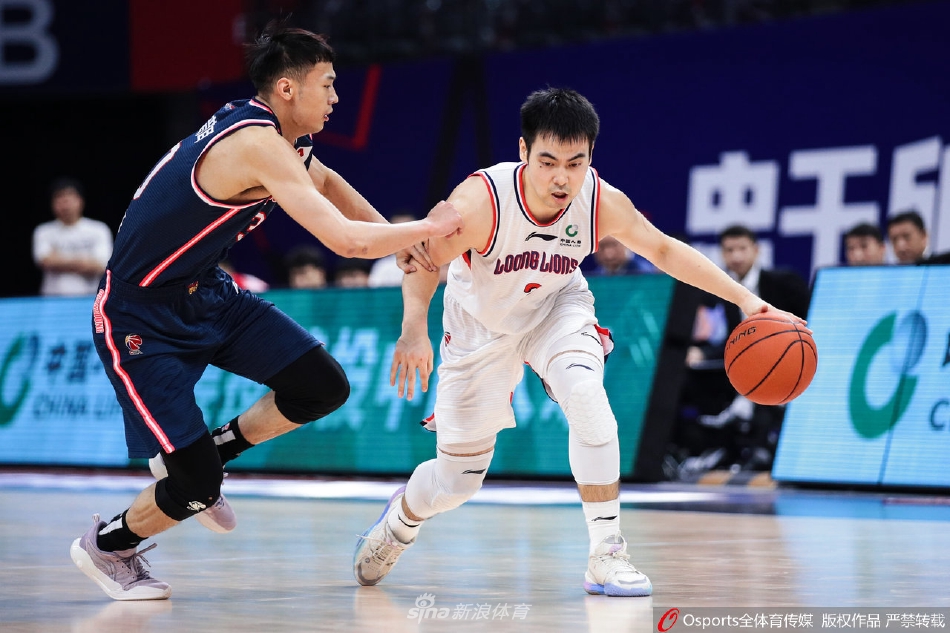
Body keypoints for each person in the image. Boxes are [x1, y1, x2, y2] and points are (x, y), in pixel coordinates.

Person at [352, 88, 805, 597]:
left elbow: (662, 249)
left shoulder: (599, 200)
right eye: (547, 162)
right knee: (457, 482)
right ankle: (400, 522)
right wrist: (414, 330)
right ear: (523, 151)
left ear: (591, 156)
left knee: (588, 397)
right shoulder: (480, 201)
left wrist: (748, 302)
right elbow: (423, 258)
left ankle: (606, 554)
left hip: (555, 307)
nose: (562, 178)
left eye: (576, 163)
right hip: (479, 325)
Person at [69, 22, 461, 602]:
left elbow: (327, 181)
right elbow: (346, 241)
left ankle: (215, 450)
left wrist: (395, 239)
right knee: (196, 487)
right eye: (327, 84)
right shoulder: (256, 144)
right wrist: (428, 227)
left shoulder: (284, 137)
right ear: (286, 88)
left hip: (206, 293)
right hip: (138, 318)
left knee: (321, 386)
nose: (335, 97)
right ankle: (108, 545)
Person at [675, 224, 811, 475]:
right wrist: (703, 353)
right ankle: (710, 449)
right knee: (692, 375)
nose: (736, 256)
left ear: (756, 250)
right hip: (749, 363)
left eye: (742, 248)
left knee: (763, 380)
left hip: (788, 359)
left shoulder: (784, 282)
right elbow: (734, 339)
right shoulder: (725, 289)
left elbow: (809, 322)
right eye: (729, 250)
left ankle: (761, 449)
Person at [32, 178, 113, 296]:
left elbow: (102, 265)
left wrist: (58, 260)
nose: (65, 205)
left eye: (69, 200)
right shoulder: (43, 231)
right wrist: (85, 261)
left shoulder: (99, 229)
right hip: (52, 298)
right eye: (60, 199)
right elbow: (45, 261)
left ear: (80, 201)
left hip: (90, 297)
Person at [368, 212, 417, 287]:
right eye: (399, 231)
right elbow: (375, 292)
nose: (404, 235)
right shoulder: (383, 267)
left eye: (408, 230)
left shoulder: (430, 263)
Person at [589, 234, 657, 275]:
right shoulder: (594, 278)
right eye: (602, 246)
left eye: (614, 245)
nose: (609, 254)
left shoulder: (645, 274)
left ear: (626, 244)